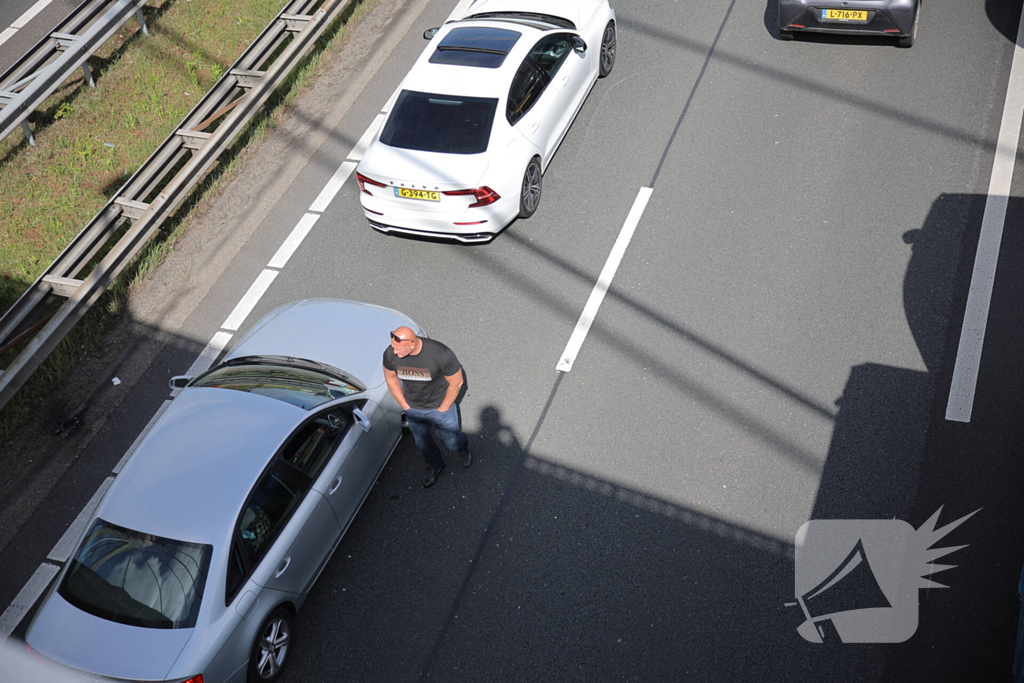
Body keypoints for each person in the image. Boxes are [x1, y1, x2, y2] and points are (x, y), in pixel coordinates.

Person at [383, 326, 471, 487]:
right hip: (413, 408)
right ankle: (436, 465)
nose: (395, 352)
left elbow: (457, 383)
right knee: (422, 443)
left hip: (439, 408)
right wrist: (404, 404)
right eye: (394, 348)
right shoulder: (391, 353)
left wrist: (444, 407)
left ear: (412, 343)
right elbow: (390, 377)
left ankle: (462, 446)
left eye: (400, 349)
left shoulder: (440, 354)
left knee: (451, 443)